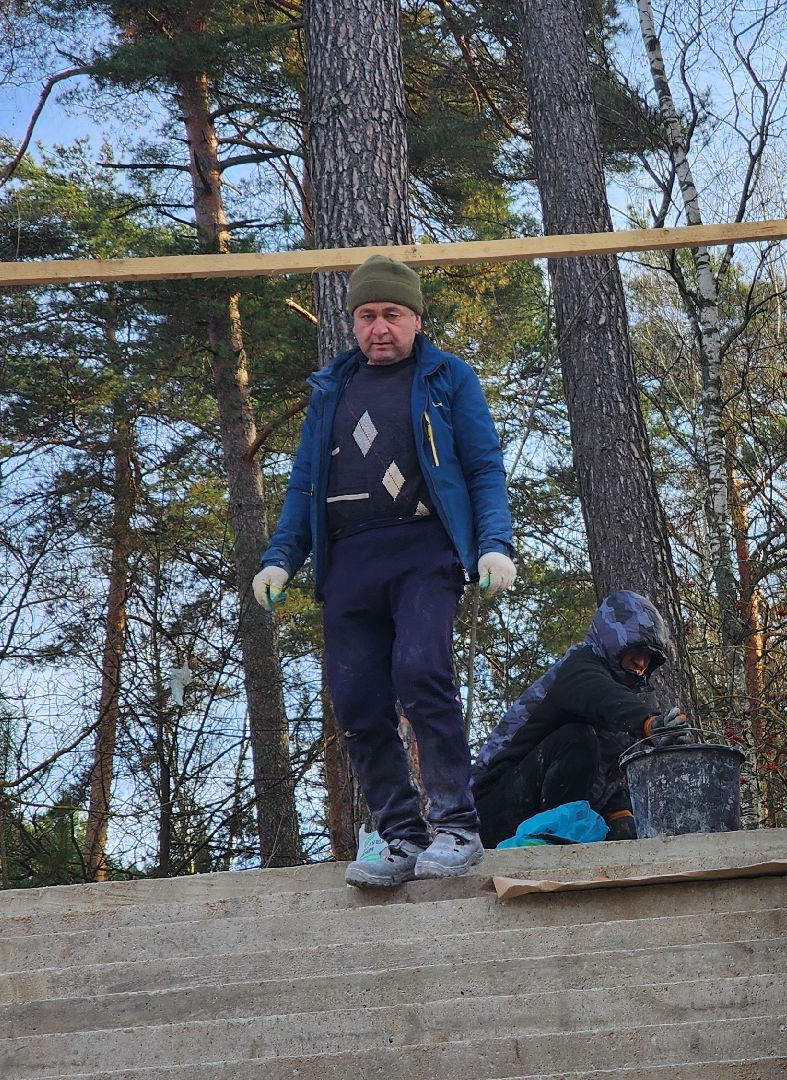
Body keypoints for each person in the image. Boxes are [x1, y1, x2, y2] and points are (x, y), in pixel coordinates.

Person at [252, 254, 517, 888]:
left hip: (424, 549)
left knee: (421, 669)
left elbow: (482, 468)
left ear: (415, 318)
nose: (379, 327)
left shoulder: (448, 379)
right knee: (357, 698)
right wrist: (280, 557)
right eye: (367, 315)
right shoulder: (331, 390)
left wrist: (494, 544)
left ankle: (456, 826)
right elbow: (303, 484)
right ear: (352, 321)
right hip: (349, 560)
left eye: (391, 314)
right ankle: (399, 835)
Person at [473, 590, 683, 846]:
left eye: (649, 655)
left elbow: (607, 768)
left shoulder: (615, 706)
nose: (641, 661)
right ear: (614, 641)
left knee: (624, 822)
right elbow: (596, 692)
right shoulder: (579, 669)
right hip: (490, 812)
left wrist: (620, 816)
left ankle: (578, 837)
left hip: (535, 807)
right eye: (636, 649)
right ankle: (557, 839)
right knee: (576, 737)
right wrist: (649, 723)